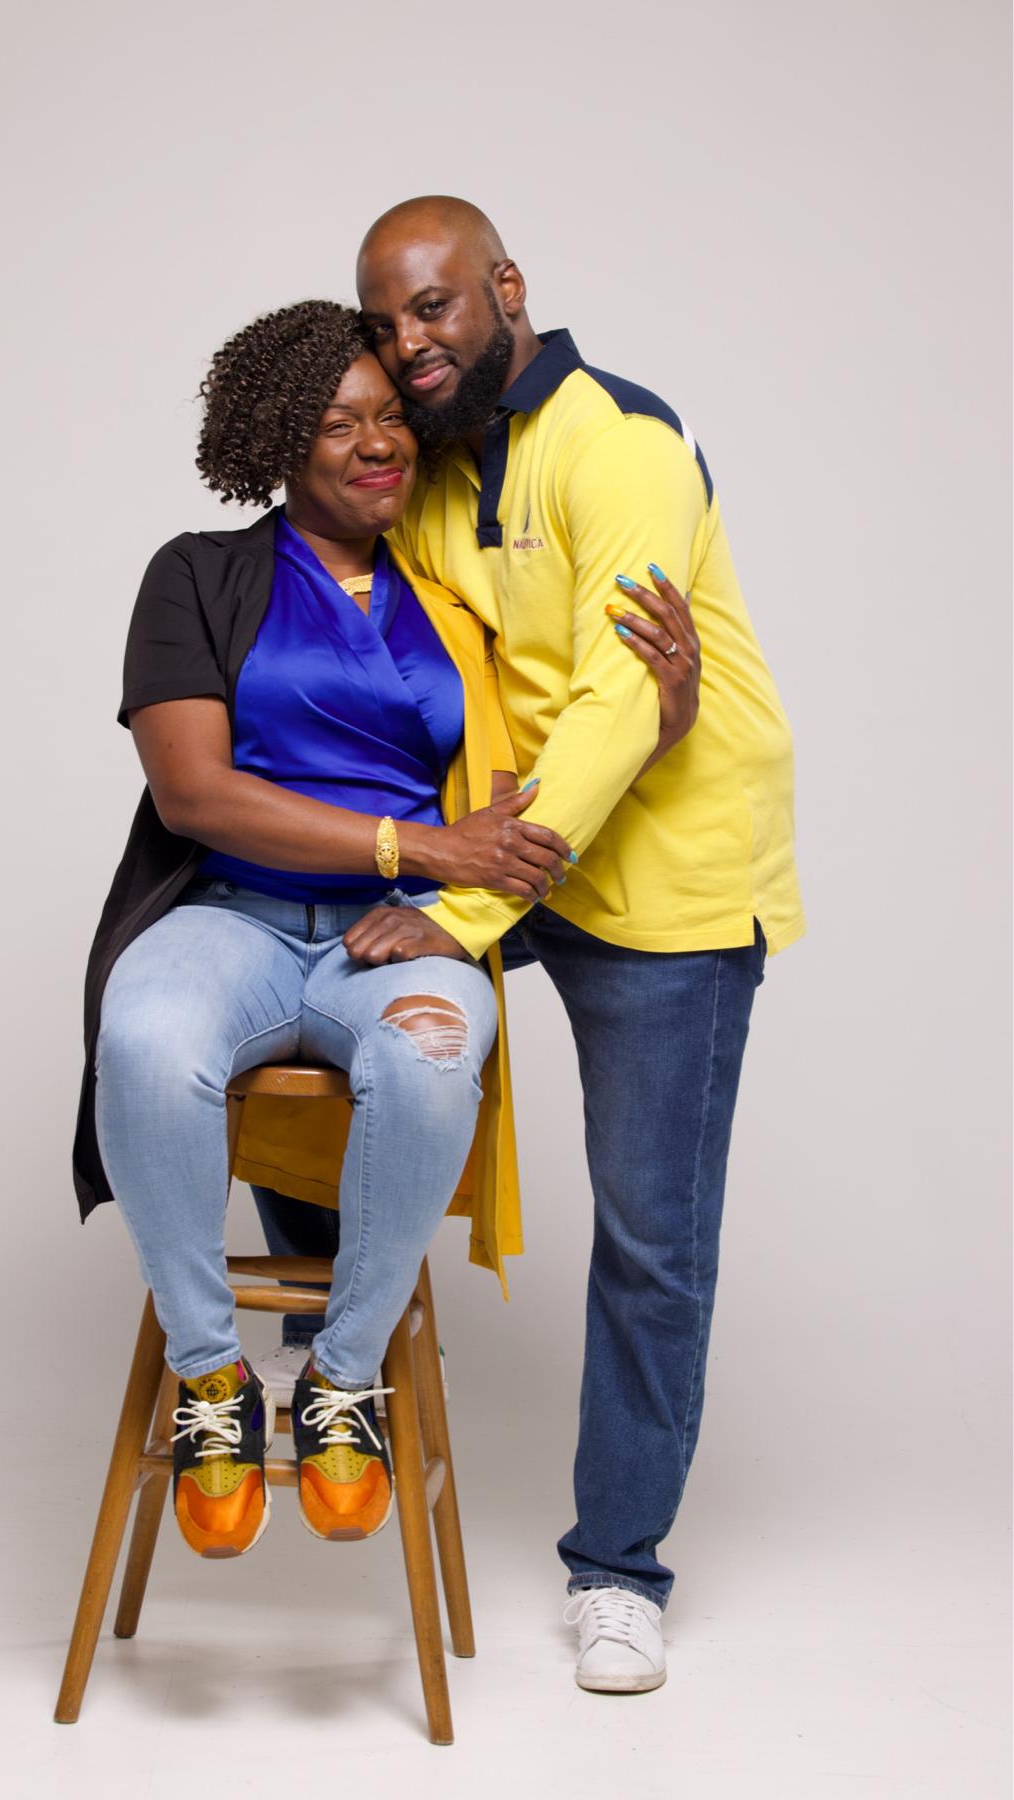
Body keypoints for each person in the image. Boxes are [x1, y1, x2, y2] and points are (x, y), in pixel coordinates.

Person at [255, 198, 804, 1694]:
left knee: (648, 1237)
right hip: (509, 848)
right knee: (303, 999)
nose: (408, 343)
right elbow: (365, 598)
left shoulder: (622, 443)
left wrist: (462, 899)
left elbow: (623, 703)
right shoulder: (429, 467)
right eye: (385, 322)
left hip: (666, 877)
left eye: (433, 307)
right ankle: (335, 1332)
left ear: (506, 287)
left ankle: (618, 1572)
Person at [71, 301, 698, 1562]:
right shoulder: (197, 574)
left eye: (389, 417)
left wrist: (661, 716)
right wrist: (420, 845)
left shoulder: (459, 587)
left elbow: (560, 747)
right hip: (232, 919)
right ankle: (210, 1379)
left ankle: (343, 1378)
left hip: (402, 935)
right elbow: (193, 793)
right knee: (142, 1040)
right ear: (276, 445)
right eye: (335, 423)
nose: (376, 442)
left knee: (430, 1057)